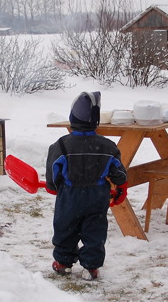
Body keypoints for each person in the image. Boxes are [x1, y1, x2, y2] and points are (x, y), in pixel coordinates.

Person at [45, 92, 128, 281]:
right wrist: (121, 188)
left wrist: (53, 187)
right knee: (95, 230)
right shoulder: (108, 147)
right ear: (96, 121)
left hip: (69, 195)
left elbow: (53, 170)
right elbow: (119, 173)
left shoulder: (60, 145)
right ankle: (91, 267)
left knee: (65, 227)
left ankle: (63, 262)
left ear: (72, 118)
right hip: (97, 195)